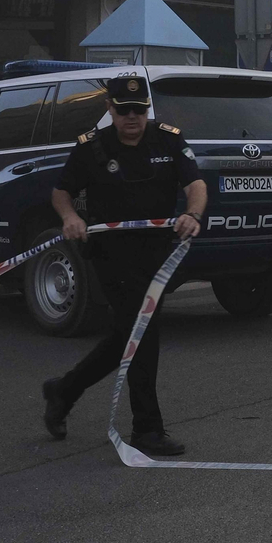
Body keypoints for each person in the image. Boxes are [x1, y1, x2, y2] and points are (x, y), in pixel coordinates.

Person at [40, 75, 206, 456]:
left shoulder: (168, 138)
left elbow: (195, 183)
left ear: (147, 110)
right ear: (110, 110)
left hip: (156, 254)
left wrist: (193, 214)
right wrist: (70, 217)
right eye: (123, 110)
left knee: (127, 336)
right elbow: (61, 191)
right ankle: (147, 429)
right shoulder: (92, 147)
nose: (131, 116)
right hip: (112, 255)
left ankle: (63, 390)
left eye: (139, 110)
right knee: (142, 333)